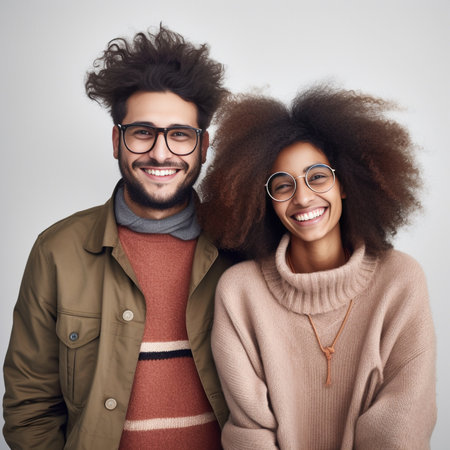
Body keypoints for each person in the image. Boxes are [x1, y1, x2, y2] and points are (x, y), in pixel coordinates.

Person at [3, 25, 231, 449]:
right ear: (116, 140)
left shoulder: (239, 247)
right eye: (142, 132)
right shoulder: (57, 251)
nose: (161, 153)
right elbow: (28, 407)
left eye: (180, 135)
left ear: (204, 146)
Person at [199, 85, 437, 449]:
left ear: (344, 183)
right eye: (282, 185)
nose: (303, 197)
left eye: (318, 176)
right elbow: (250, 432)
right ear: (264, 201)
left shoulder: (400, 280)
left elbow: (402, 425)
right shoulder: (240, 291)